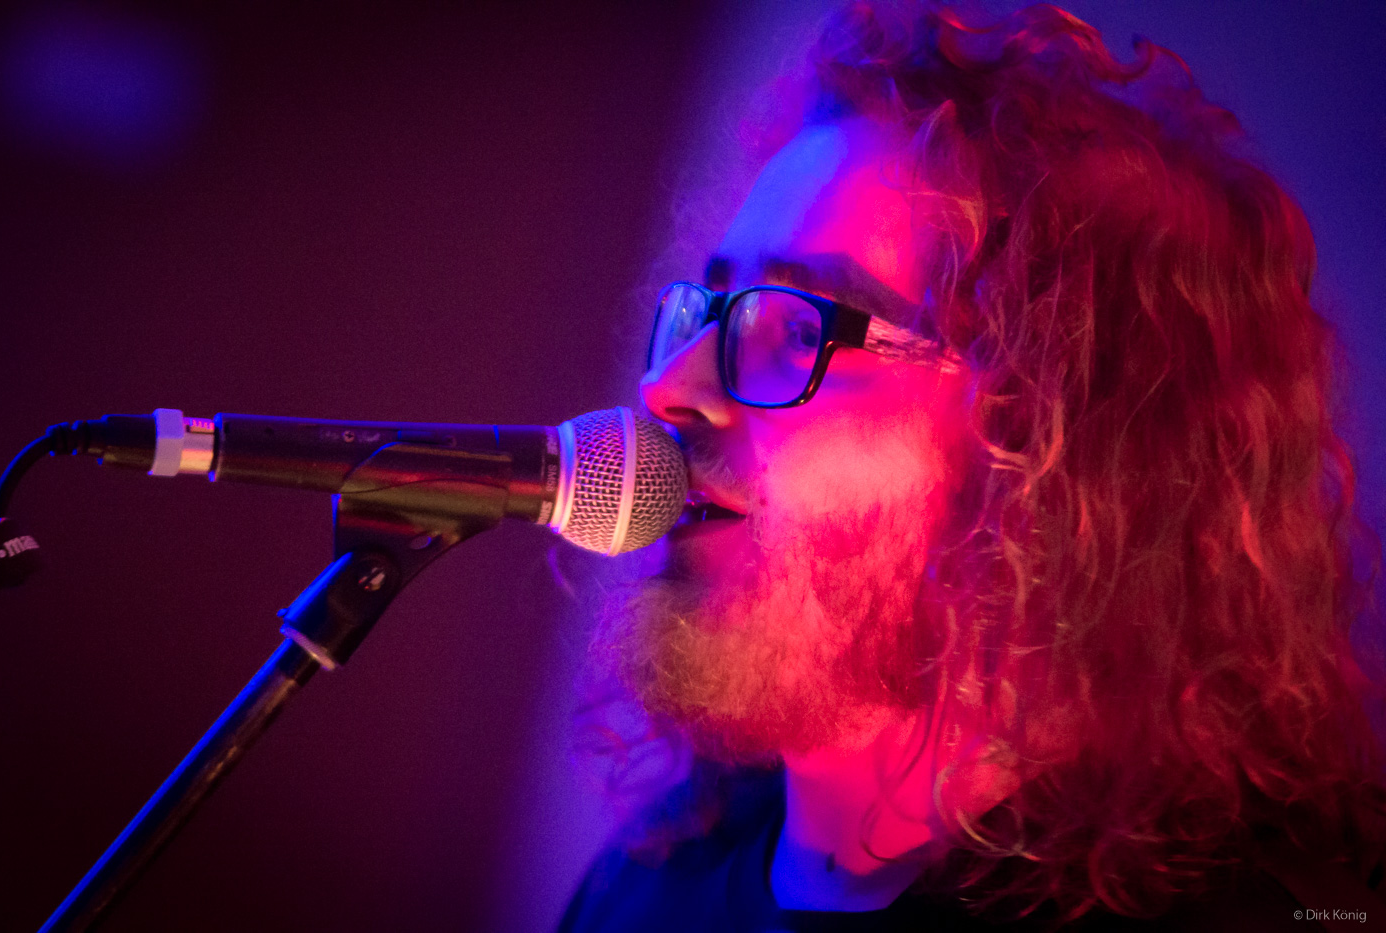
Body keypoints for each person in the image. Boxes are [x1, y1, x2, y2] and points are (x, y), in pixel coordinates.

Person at [559, 2, 1386, 929]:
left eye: (795, 329)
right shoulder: (642, 885)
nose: (668, 386)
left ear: (1044, 443)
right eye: (704, 312)